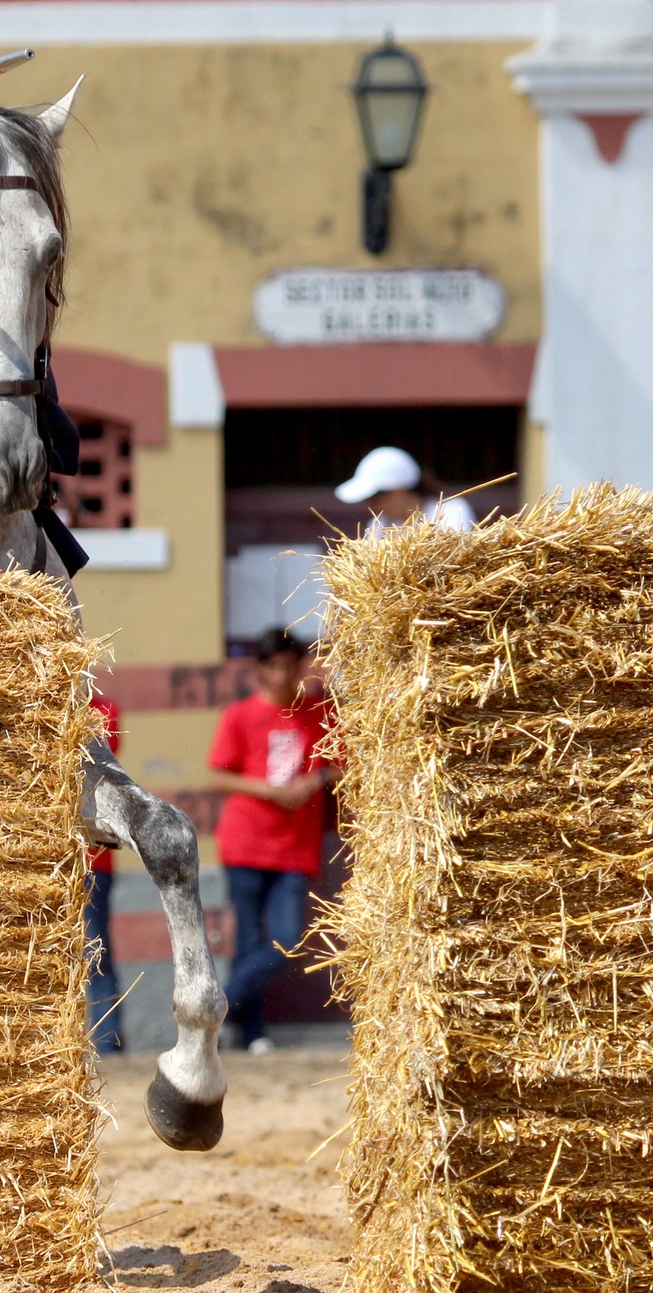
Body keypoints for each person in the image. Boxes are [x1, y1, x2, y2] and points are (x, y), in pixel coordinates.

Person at [202, 628, 336, 1054]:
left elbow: (344, 762)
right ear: (259, 669)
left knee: (285, 940)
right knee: (248, 942)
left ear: (300, 668)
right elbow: (218, 774)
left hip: (295, 847)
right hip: (245, 843)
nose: (282, 675)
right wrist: (273, 791)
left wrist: (313, 781)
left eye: (289, 666)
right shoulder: (240, 716)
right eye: (273, 666)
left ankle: (216, 1009)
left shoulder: (318, 712)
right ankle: (252, 1032)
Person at [87, 690, 126, 1054]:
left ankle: (107, 1041)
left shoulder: (102, 711)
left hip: (91, 858)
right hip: (46, 860)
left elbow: (97, 759)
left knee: (95, 950)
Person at [335, 446, 476, 536]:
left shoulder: (450, 512)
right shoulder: (378, 526)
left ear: (398, 491)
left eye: (374, 497)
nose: (372, 506)